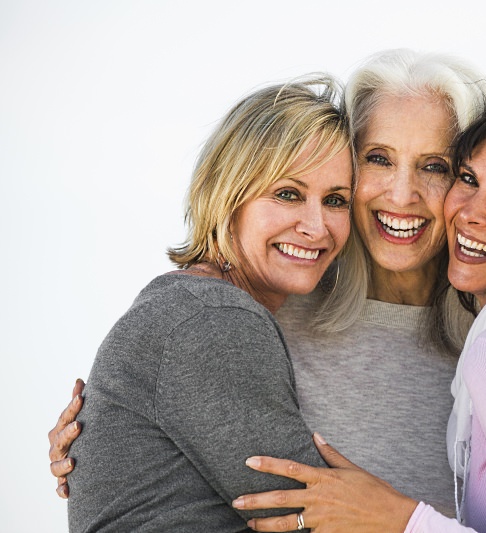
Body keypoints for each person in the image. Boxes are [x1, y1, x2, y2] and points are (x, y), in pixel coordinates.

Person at [49, 52, 486, 532]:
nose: (402, 194)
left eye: (439, 165)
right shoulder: (273, 311)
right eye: (378, 158)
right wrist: (106, 434)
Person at [65, 76, 354, 532]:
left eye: (336, 200)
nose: (317, 227)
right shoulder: (215, 319)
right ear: (228, 195)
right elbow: (319, 518)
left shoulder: (188, 304)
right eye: (287, 194)